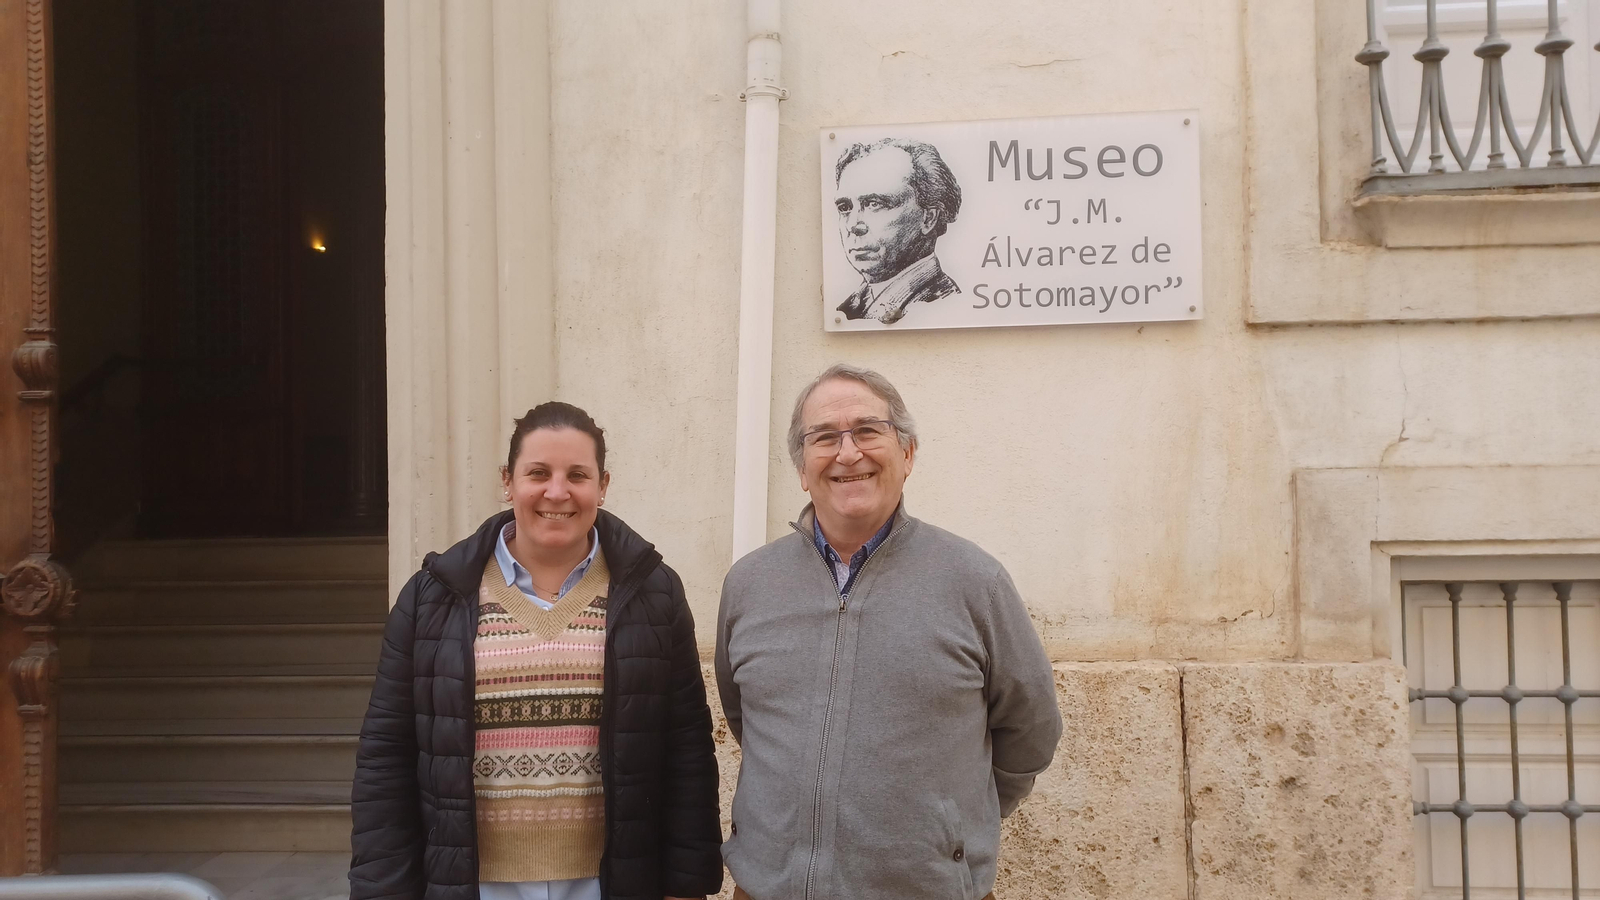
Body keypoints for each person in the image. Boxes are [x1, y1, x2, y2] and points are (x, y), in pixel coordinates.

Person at [350, 402, 722, 900]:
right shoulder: (432, 597)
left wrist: (686, 885)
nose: (557, 492)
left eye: (578, 475)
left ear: (603, 485)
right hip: (475, 885)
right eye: (538, 473)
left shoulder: (653, 593)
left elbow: (687, 749)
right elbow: (386, 756)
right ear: (508, 481)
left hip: (610, 883)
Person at [715, 364, 1061, 900]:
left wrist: (949, 830)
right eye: (824, 437)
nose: (847, 453)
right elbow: (746, 719)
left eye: (868, 430)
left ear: (908, 454)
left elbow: (1030, 729)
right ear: (802, 469)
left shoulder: (976, 581)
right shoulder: (749, 584)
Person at [833, 138, 963, 324]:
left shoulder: (942, 302)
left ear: (929, 218)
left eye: (874, 204)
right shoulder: (848, 308)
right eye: (845, 208)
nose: (853, 225)